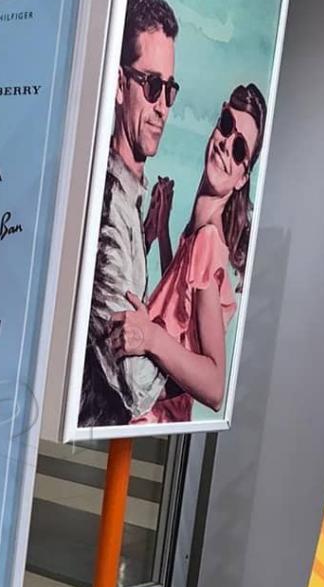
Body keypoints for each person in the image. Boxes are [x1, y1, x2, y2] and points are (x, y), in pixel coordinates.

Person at [111, 84, 267, 424]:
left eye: (239, 149)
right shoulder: (198, 234)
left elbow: (214, 387)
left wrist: (150, 336)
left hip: (150, 418)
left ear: (243, 178)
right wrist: (163, 233)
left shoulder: (208, 241)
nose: (226, 144)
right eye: (226, 125)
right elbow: (185, 318)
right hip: (141, 411)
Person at [78, 0, 180, 429]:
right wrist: (174, 349)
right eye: (152, 86)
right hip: (89, 436)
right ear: (121, 85)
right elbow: (135, 381)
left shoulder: (131, 199)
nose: (162, 107)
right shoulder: (108, 205)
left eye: (170, 91)